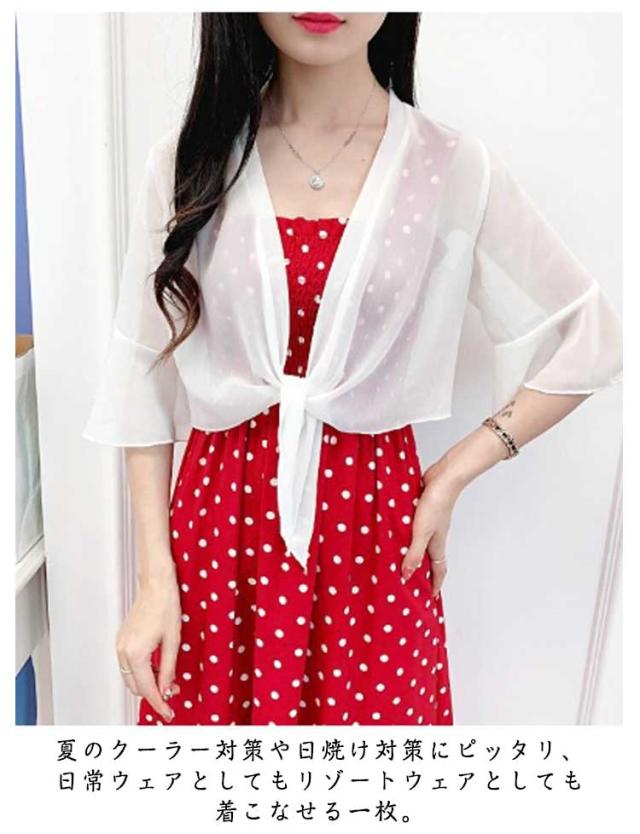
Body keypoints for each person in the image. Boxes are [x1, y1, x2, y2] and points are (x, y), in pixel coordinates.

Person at [82, 12, 622, 726]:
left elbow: (590, 335)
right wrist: (154, 578)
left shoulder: (449, 166)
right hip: (217, 536)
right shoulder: (192, 160)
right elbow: (141, 379)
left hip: (374, 532)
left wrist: (456, 470)